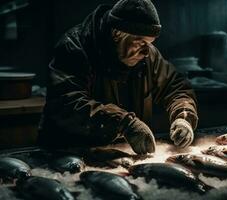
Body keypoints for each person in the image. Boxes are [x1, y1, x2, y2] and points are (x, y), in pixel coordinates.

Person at [38, 0, 198, 155]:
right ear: (116, 34)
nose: (146, 52)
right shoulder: (74, 47)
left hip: (119, 155)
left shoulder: (148, 56)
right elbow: (67, 102)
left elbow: (175, 87)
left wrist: (183, 116)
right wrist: (123, 123)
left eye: (150, 43)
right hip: (68, 154)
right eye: (140, 42)